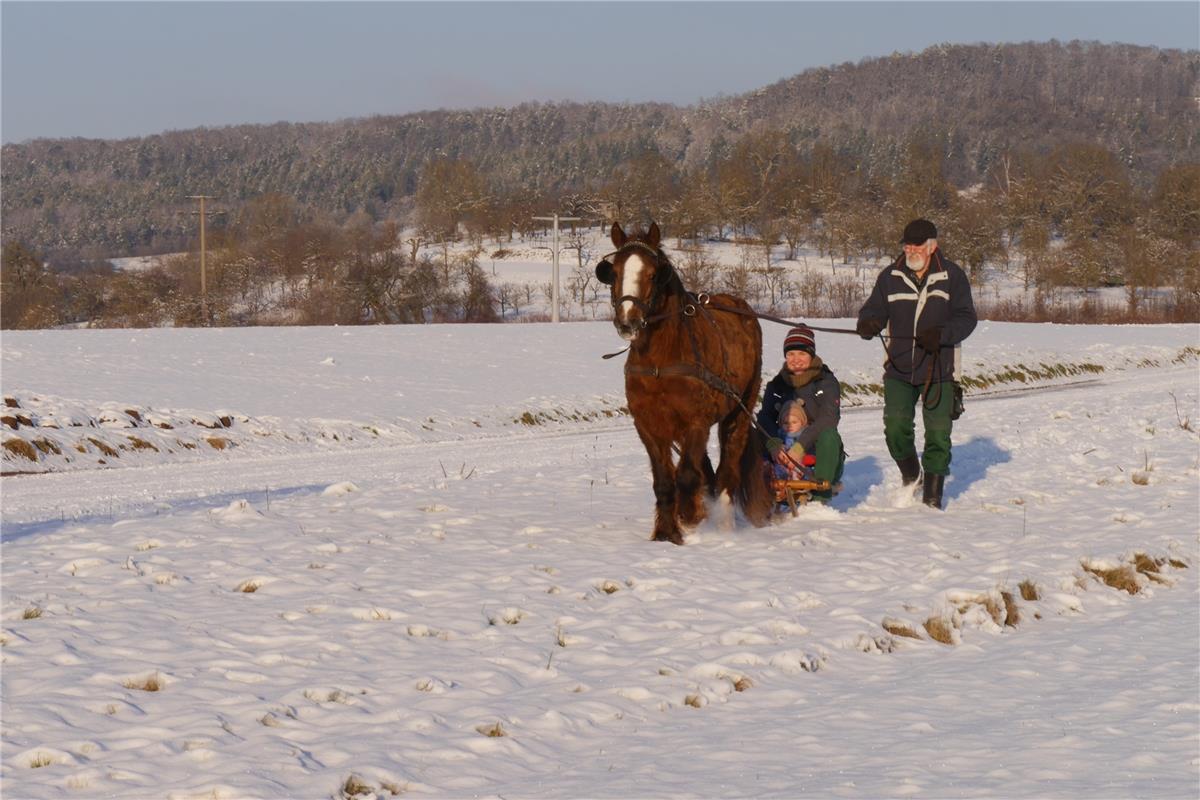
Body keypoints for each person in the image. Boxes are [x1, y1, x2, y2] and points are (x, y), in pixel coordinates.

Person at [855, 218, 977, 510]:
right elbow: (873, 310)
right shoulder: (890, 276)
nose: (911, 250)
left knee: (938, 433)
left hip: (939, 368)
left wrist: (942, 335)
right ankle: (912, 476)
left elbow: (967, 318)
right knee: (895, 427)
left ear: (932, 246)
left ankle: (932, 500)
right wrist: (868, 323)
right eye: (907, 244)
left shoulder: (953, 276)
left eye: (917, 245)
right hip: (898, 367)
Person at [757, 324, 845, 501]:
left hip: (817, 452)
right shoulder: (777, 384)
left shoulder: (825, 381)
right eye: (791, 354)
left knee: (829, 435)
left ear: (811, 355)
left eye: (802, 354)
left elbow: (829, 418)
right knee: (751, 434)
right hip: (783, 450)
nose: (796, 359)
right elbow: (765, 417)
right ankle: (758, 487)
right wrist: (774, 443)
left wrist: (800, 448)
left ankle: (820, 496)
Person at [772, 400, 815, 482]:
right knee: (776, 469)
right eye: (786, 423)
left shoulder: (806, 436)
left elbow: (813, 456)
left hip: (802, 466)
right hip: (783, 466)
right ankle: (777, 479)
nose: (790, 426)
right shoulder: (780, 435)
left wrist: (803, 459)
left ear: (802, 422)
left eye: (794, 422)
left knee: (803, 471)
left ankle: (799, 483)